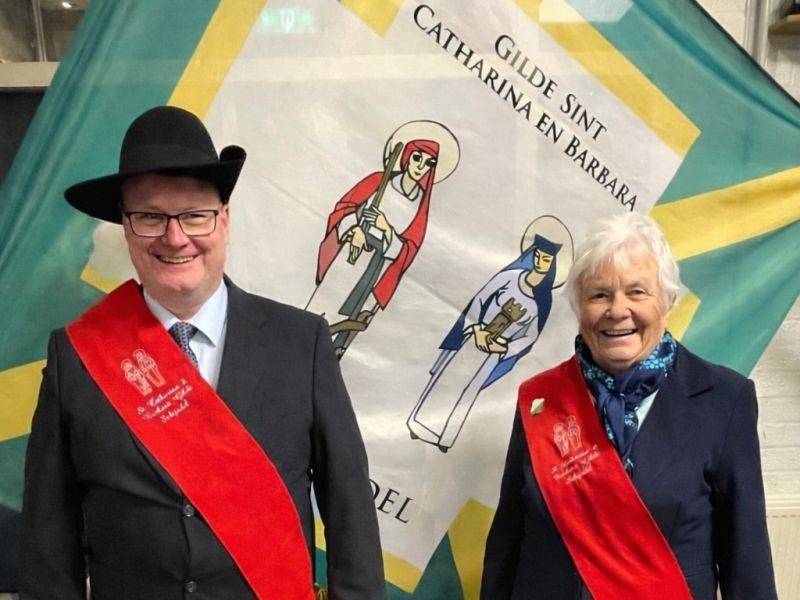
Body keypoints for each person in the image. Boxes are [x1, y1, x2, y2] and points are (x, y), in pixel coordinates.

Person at [19, 106, 385, 600]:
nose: (175, 238)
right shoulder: (77, 357)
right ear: (126, 228)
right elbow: (48, 539)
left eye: (195, 215)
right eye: (150, 217)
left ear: (224, 222)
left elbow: (350, 511)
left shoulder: (303, 343)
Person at [481, 212, 777, 599]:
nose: (618, 310)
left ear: (667, 301)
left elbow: (746, 559)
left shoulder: (725, 399)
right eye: (600, 295)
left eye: (637, 292)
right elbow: (508, 543)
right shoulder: (541, 399)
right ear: (579, 308)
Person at [407, 216, 573, 453]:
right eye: (537, 256)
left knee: (468, 391)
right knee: (446, 381)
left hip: (494, 351)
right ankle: (418, 425)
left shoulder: (542, 301)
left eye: (545, 259)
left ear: (552, 264)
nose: (539, 261)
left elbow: (530, 337)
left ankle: (444, 438)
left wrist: (504, 347)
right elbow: (480, 299)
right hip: (474, 338)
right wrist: (477, 329)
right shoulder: (511, 277)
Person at [307, 120, 459, 358]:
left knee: (345, 329)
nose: (421, 167)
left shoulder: (419, 206)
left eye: (429, 163)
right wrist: (354, 229)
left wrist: (387, 230)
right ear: (407, 156)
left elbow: (409, 250)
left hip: (378, 271)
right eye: (417, 158)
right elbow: (343, 208)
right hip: (350, 257)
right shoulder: (379, 181)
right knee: (321, 311)